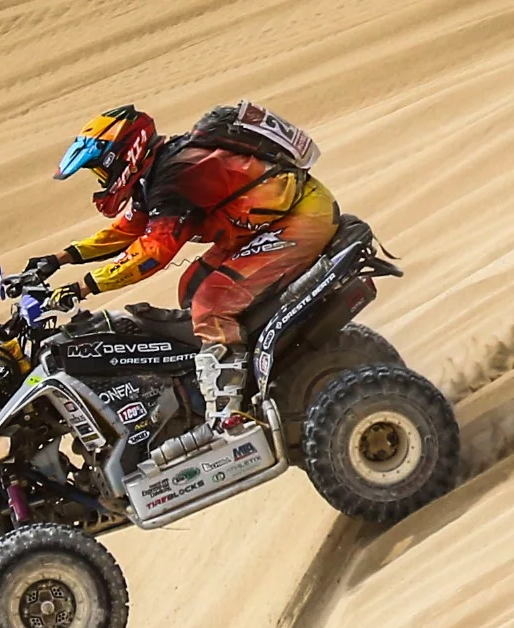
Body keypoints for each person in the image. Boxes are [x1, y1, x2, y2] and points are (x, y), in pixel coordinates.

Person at [24, 103, 339, 431]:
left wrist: (83, 287)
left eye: (100, 172)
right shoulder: (157, 172)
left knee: (211, 303)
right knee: (192, 287)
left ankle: (230, 412)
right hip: (268, 225)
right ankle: (243, 359)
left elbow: (152, 253)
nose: (102, 181)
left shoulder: (177, 174)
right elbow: (124, 232)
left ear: (122, 157)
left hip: (301, 219)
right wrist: (58, 259)